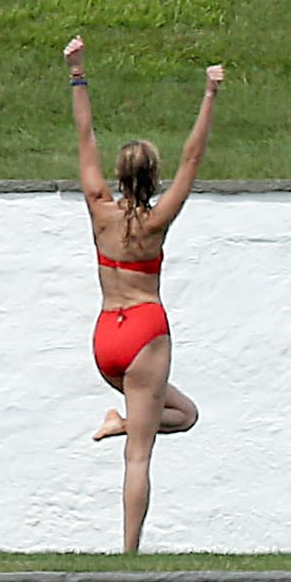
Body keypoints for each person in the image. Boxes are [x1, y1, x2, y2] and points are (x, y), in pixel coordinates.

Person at [62, 34, 224, 553]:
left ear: (117, 174)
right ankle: (129, 552)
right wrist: (209, 95)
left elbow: (84, 134)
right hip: (145, 331)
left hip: (106, 336)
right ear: (153, 176)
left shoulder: (98, 209)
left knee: (187, 415)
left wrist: (78, 73)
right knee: (140, 456)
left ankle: (121, 423)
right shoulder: (156, 220)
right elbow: (194, 158)